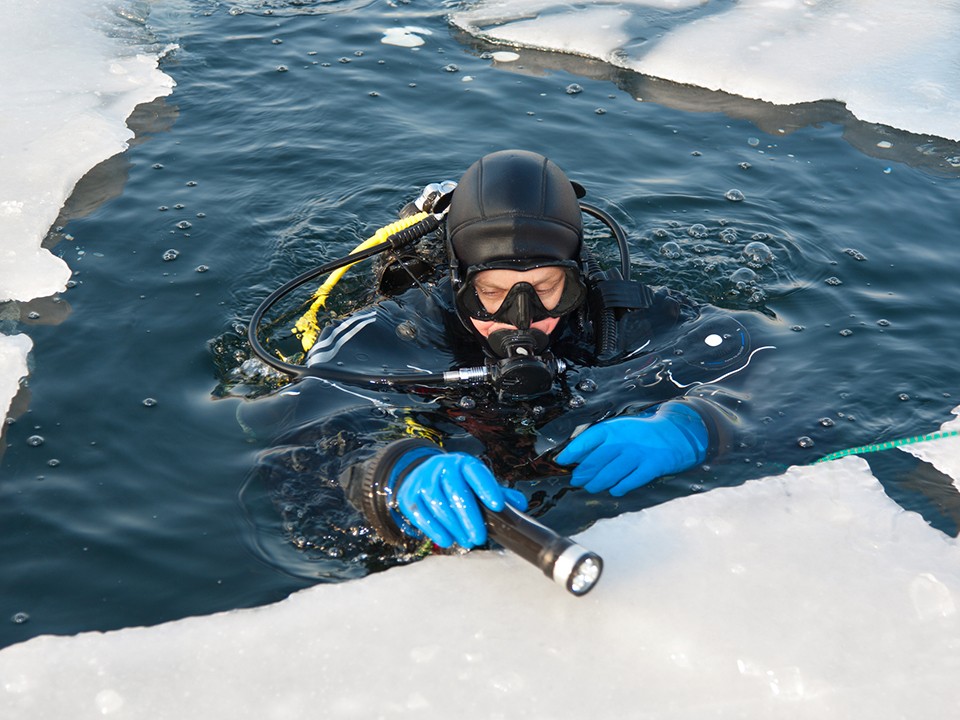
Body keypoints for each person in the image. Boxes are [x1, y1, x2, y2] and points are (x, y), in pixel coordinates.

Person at [245, 149, 770, 560]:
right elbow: (301, 436)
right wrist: (386, 472)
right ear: (457, 284)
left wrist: (700, 423)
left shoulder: (620, 316)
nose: (521, 317)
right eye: (492, 293)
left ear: (579, 276)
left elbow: (773, 363)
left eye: (546, 287)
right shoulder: (393, 333)